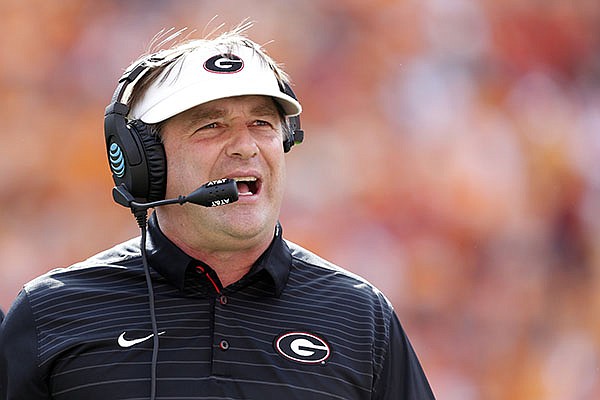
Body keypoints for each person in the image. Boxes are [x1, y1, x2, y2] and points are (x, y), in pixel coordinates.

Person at [0, 24, 435, 400]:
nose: (245, 146)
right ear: (144, 160)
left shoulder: (362, 318)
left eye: (262, 124)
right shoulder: (51, 312)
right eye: (211, 125)